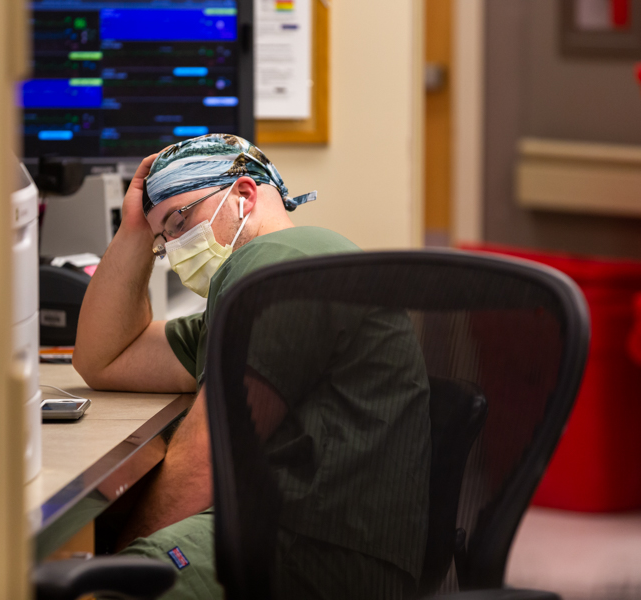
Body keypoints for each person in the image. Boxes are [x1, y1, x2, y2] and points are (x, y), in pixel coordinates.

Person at [73, 134, 430, 599]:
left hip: (320, 554)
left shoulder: (278, 267)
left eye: (181, 221)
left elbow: (208, 460)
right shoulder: (261, 287)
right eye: (165, 239)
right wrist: (135, 231)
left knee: (106, 583)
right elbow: (104, 358)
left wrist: (120, 559)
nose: (177, 247)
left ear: (243, 195)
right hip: (306, 534)